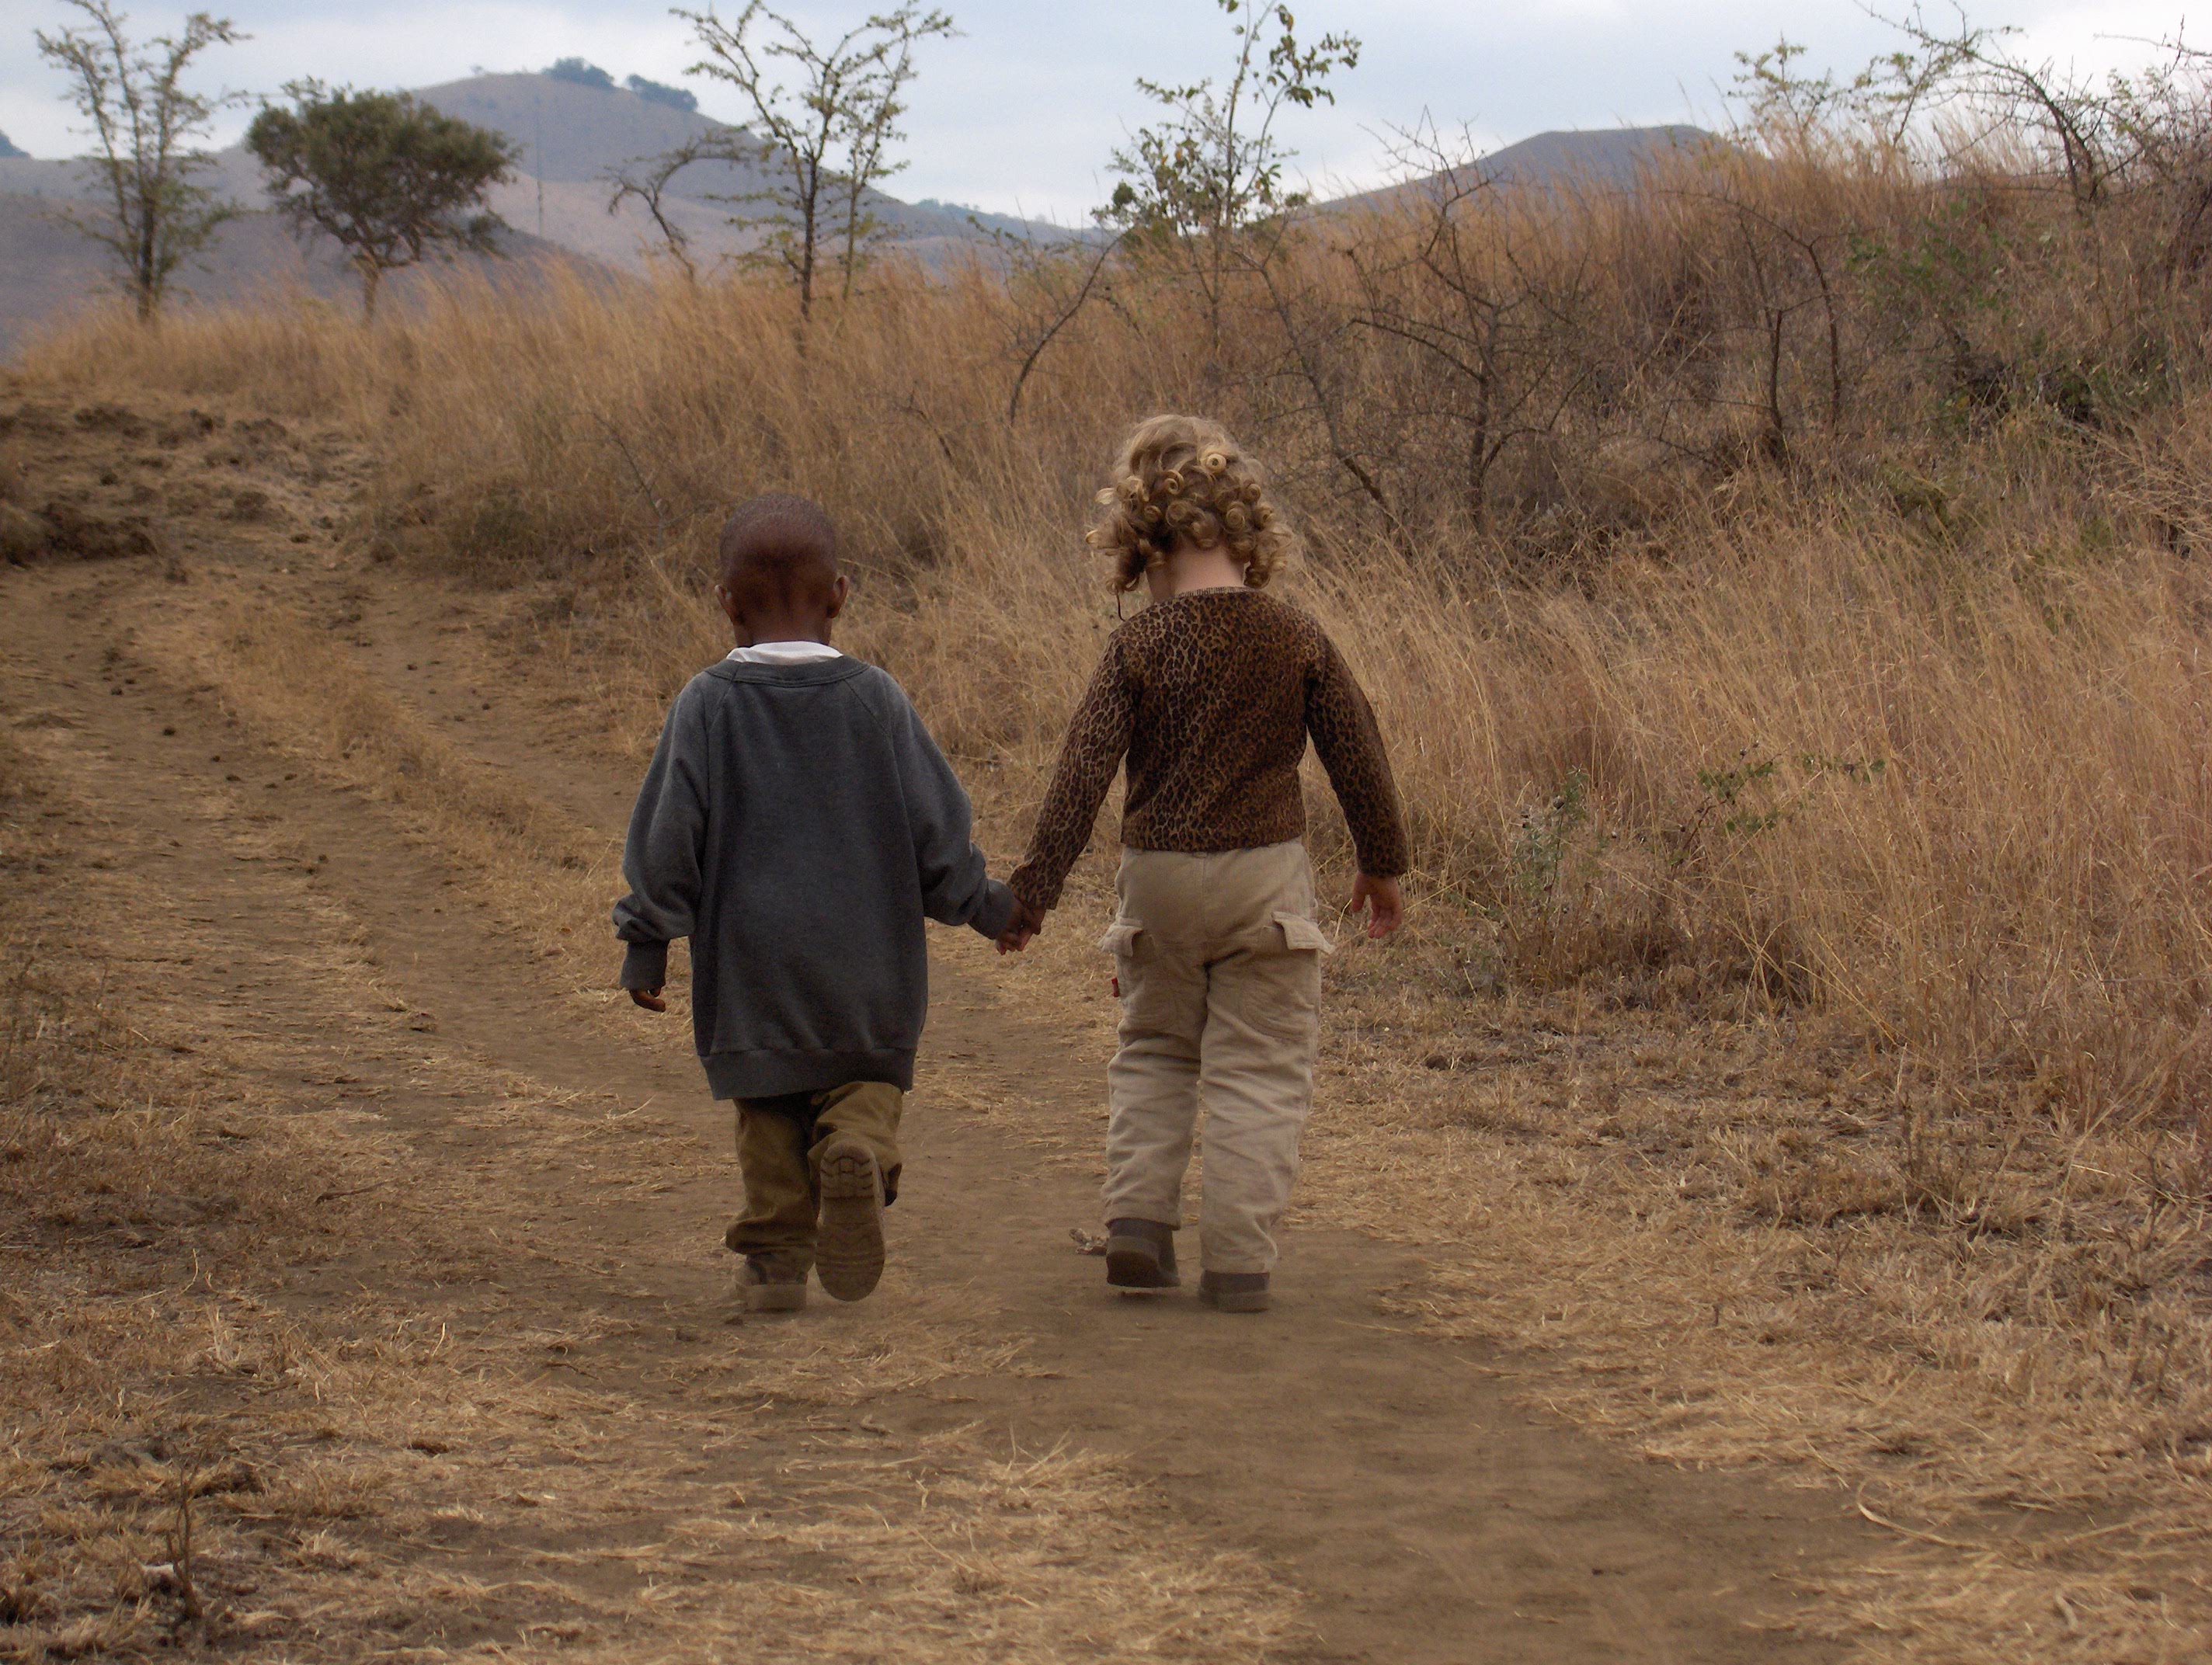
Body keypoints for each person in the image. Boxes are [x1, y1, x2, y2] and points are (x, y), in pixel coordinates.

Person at [1000, 415, 1409, 1313]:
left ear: (1138, 546)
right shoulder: (1293, 633)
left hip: (1158, 882)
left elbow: (1080, 772)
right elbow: (1358, 752)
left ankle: (1139, 1224)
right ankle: (1236, 1259)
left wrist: (1033, 893)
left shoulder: (1137, 645)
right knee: (1259, 1067)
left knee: (1152, 1052)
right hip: (1265, 883)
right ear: (1247, 531)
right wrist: (1382, 862)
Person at [614, 493, 1016, 1312]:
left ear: (726, 602)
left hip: (751, 965)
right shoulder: (876, 699)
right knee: (864, 1080)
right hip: (867, 962)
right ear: (840, 592)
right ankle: (860, 1150)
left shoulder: (706, 703)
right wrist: (986, 905)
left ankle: (774, 1262)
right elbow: (937, 829)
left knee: (766, 1106)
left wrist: (648, 935)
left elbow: (669, 832)